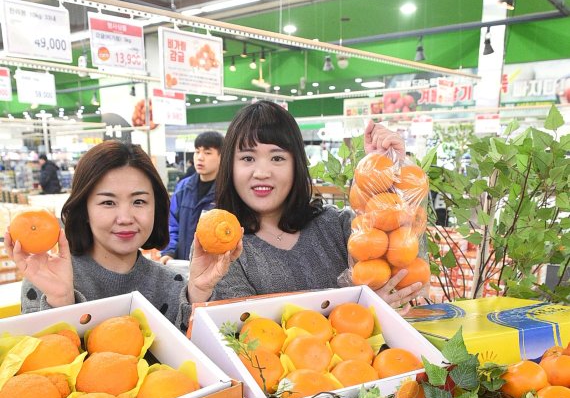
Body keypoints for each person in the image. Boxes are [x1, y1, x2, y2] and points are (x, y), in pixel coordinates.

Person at [200, 101, 423, 310]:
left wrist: (390, 177)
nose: (262, 173)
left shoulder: (337, 226)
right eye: (248, 158)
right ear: (230, 165)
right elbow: (243, 333)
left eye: (277, 158)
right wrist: (364, 309)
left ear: (296, 164)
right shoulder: (222, 245)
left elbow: (405, 263)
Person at [6, 141, 240, 333]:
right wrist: (61, 301)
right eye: (108, 202)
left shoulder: (174, 285)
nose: (126, 217)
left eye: (139, 201)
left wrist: (198, 294)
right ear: (84, 210)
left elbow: (193, 368)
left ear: (156, 208)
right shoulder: (48, 279)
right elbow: (42, 375)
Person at [160, 132, 224, 264]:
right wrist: (169, 252)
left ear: (221, 157)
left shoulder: (227, 191)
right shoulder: (183, 187)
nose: (200, 158)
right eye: (197, 151)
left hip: (214, 267)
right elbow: (172, 224)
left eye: (207, 153)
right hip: (183, 265)